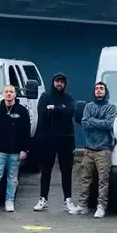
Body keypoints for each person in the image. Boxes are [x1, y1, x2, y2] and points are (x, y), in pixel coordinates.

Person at [70, 81, 117, 218]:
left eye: (101, 89)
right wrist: (96, 122)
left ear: (105, 91)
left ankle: (101, 206)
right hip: (89, 149)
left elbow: (108, 124)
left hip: (104, 150)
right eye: (96, 89)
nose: (99, 91)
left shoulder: (111, 107)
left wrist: (92, 121)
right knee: (85, 178)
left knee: (103, 180)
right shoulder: (88, 106)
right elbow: (84, 124)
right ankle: (82, 205)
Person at [0, 84, 31, 214]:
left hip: (16, 152)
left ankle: (9, 201)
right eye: (7, 92)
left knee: (13, 178)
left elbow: (26, 132)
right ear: (3, 94)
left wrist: (24, 149)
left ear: (15, 94)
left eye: (11, 92)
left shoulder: (22, 111)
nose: (9, 94)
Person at [34, 73, 76, 212]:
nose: (60, 84)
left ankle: (68, 200)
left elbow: (70, 112)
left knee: (66, 170)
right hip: (47, 140)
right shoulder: (45, 97)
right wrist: (60, 110)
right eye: (57, 81)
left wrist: (54, 109)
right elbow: (42, 113)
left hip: (66, 140)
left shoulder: (68, 97)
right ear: (53, 82)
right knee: (46, 170)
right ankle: (43, 199)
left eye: (62, 82)